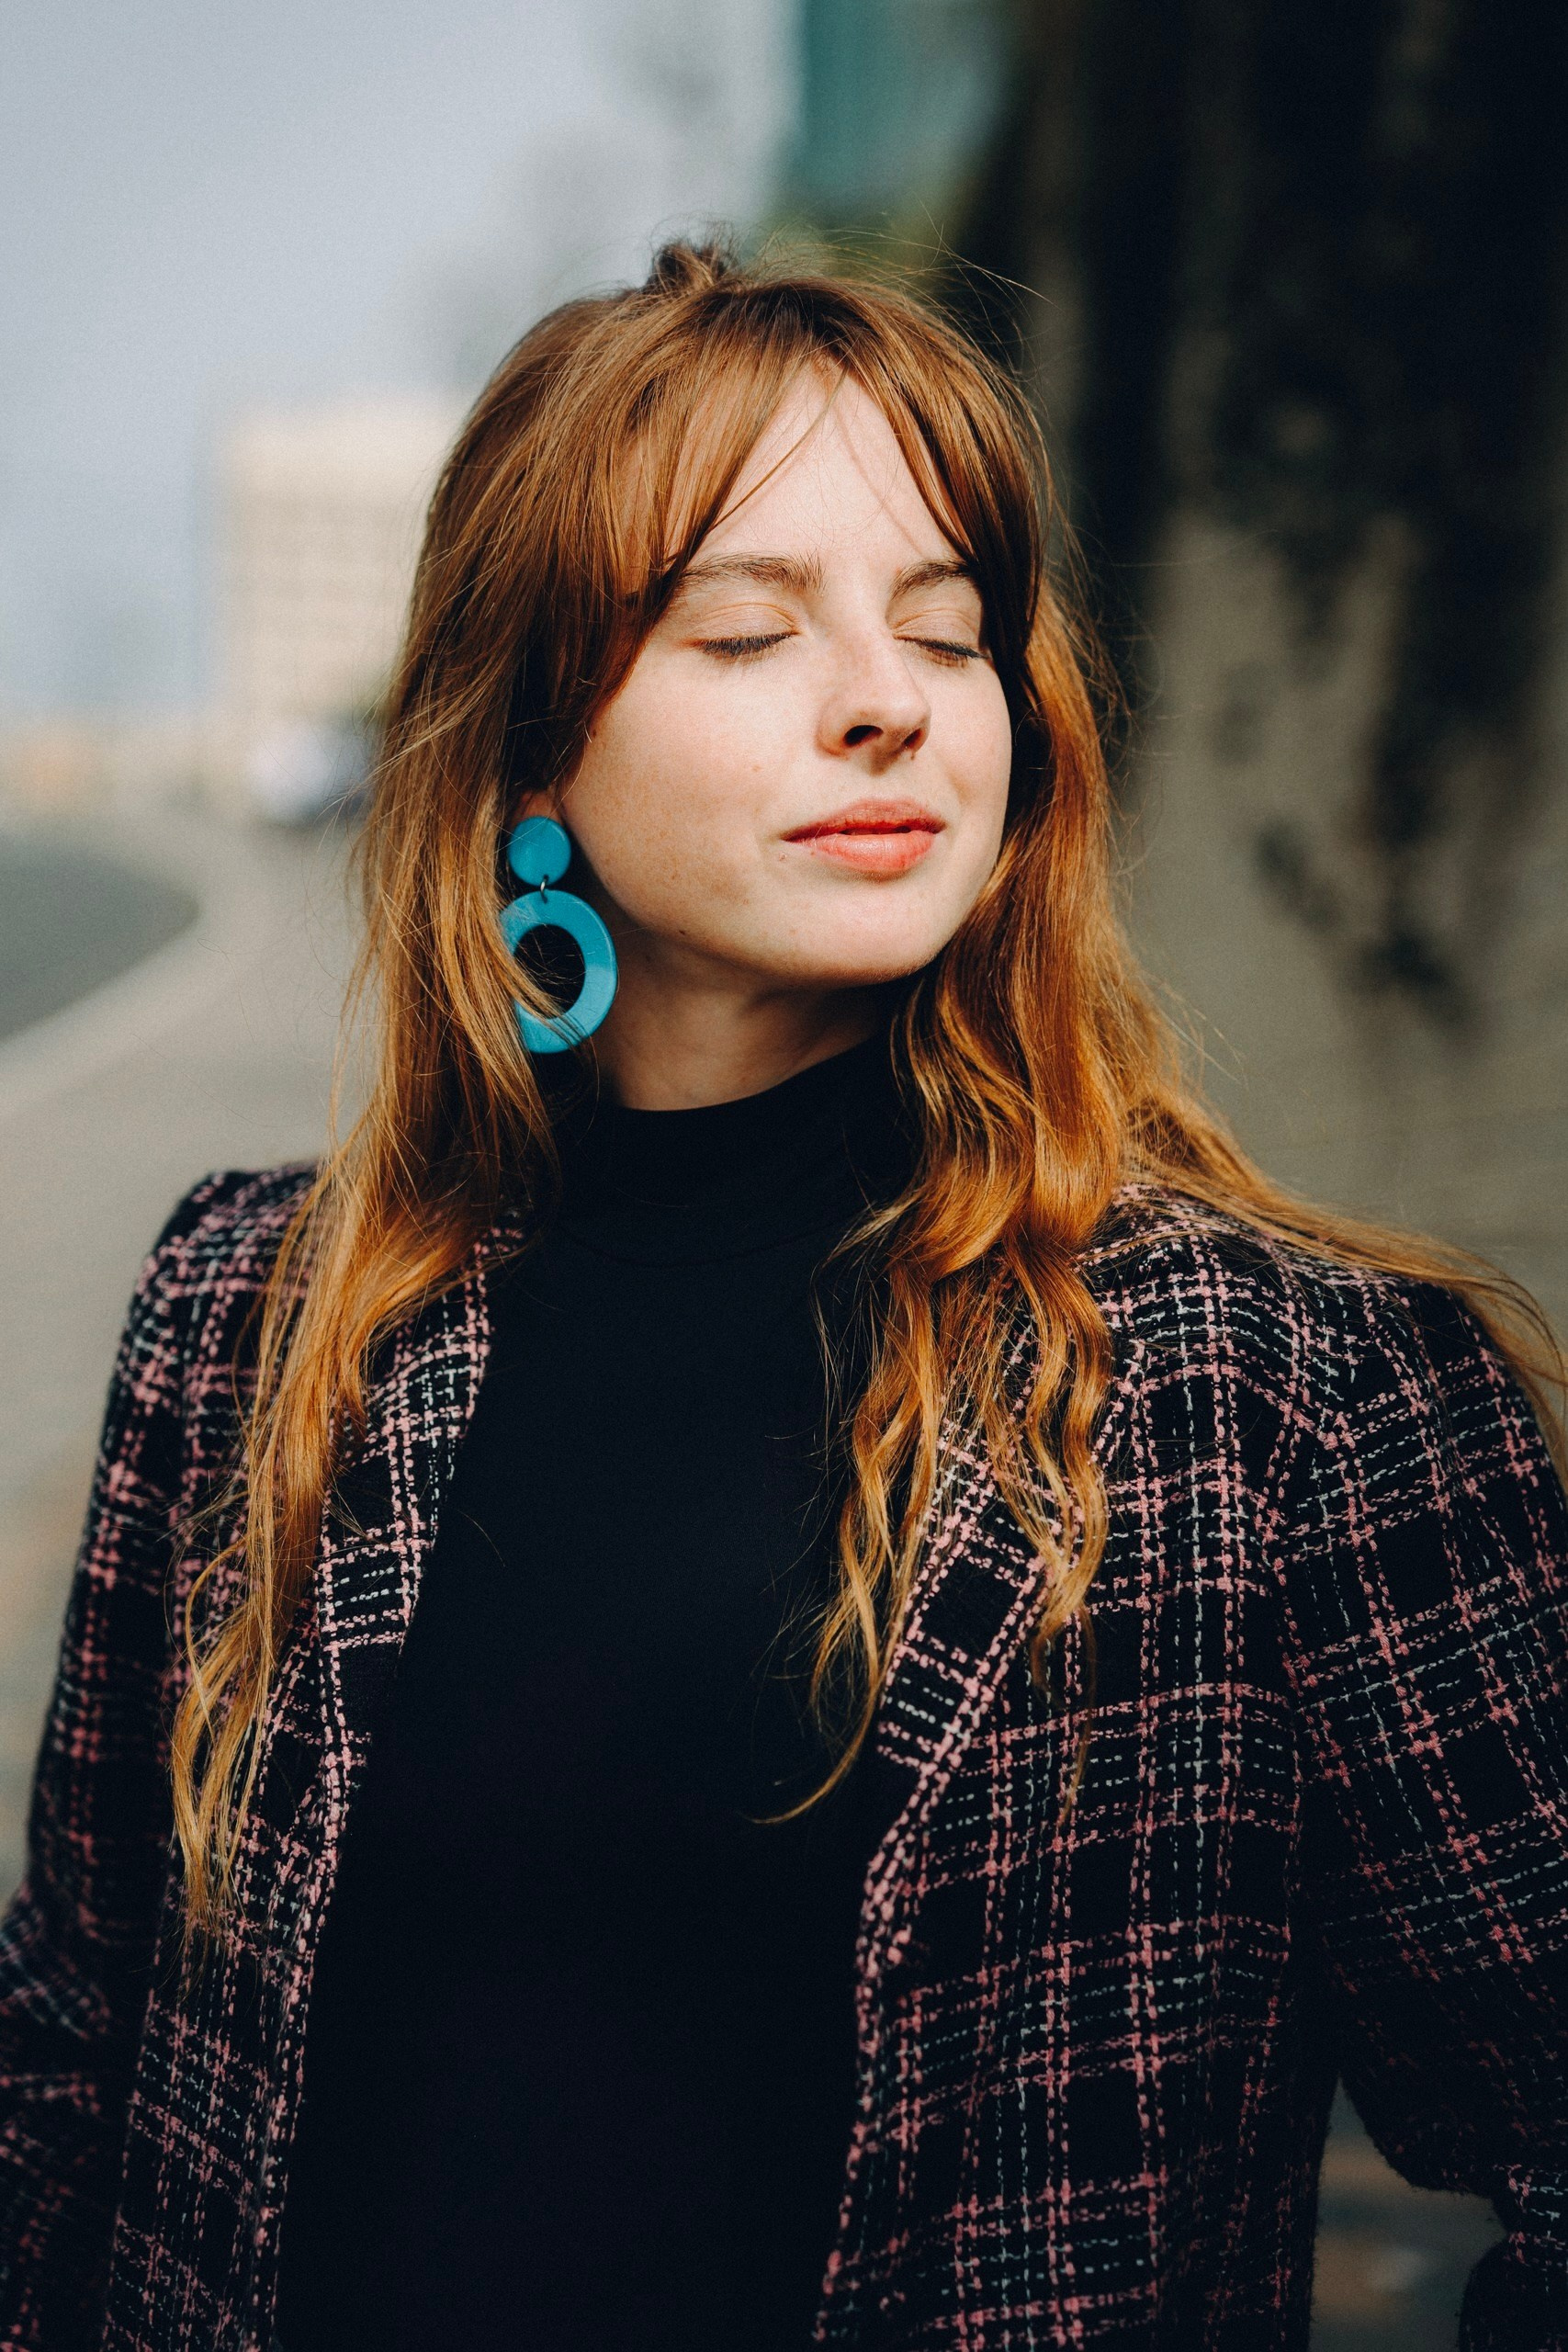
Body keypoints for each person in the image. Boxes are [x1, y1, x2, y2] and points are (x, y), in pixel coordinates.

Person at [1, 243, 1565, 2352]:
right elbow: (70, 2058)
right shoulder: (247, 1319)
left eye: (947, 627)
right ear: (528, 751)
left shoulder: (1283, 1390)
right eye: (745, 628)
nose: (884, 696)